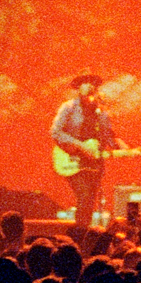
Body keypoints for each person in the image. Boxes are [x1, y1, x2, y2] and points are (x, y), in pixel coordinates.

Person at [51, 73, 123, 232]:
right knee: (83, 196)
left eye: (93, 83)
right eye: (86, 82)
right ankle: (80, 233)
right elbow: (55, 132)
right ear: (78, 88)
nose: (90, 85)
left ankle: (84, 233)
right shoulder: (68, 107)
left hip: (93, 163)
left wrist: (123, 147)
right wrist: (79, 145)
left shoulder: (101, 112)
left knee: (90, 200)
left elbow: (108, 136)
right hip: (72, 159)